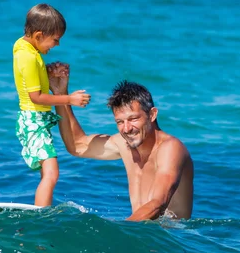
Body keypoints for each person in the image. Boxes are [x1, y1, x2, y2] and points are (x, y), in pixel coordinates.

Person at [47, 62, 193, 220]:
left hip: (169, 238)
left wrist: (122, 232)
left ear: (152, 115)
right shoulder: (124, 144)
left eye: (133, 119)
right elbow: (77, 146)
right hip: (139, 231)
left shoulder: (170, 148)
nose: (127, 128)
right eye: (120, 122)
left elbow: (158, 204)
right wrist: (59, 94)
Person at [13, 4, 91, 207]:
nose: (56, 45)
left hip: (34, 119)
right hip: (33, 120)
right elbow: (36, 97)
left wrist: (48, 73)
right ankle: (41, 216)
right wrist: (69, 99)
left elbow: (28, 80)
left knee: (48, 172)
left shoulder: (25, 48)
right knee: (52, 173)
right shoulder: (29, 56)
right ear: (38, 35)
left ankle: (42, 209)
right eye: (55, 39)